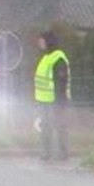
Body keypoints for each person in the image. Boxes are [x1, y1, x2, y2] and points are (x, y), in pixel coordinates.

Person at [33, 31, 71, 161]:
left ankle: (62, 153)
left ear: (48, 41)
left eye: (42, 40)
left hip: (56, 101)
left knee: (60, 127)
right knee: (46, 128)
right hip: (44, 100)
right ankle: (47, 153)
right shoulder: (46, 57)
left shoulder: (58, 58)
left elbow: (61, 81)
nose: (40, 43)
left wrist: (59, 101)